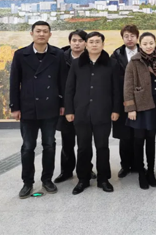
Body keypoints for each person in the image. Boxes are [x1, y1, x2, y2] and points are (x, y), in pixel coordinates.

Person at [9, 21, 68, 199]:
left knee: (49, 145)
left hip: (50, 107)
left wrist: (63, 104)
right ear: (32, 34)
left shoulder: (58, 54)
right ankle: (27, 182)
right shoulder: (21, 54)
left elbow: (62, 81)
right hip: (28, 107)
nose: (41, 34)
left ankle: (47, 179)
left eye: (45, 31)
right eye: (38, 31)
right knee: (28, 147)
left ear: (50, 34)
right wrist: (14, 106)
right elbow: (14, 82)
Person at [65, 32, 121, 195]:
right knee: (83, 147)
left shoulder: (112, 64)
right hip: (81, 112)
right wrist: (69, 110)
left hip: (103, 112)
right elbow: (69, 89)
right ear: (86, 44)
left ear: (103, 44)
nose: (94, 44)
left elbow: (116, 89)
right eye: (91, 42)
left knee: (102, 147)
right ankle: (83, 179)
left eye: (98, 42)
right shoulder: (77, 64)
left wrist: (116, 110)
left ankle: (103, 179)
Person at [123, 32, 156, 190]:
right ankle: (141, 173)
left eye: (151, 43)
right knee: (138, 140)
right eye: (145, 44)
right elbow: (128, 87)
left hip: (155, 106)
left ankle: (151, 172)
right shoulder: (134, 62)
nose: (148, 46)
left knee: (151, 140)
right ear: (140, 45)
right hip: (140, 107)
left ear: (155, 44)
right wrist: (130, 108)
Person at [55, 30, 96, 184]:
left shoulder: (91, 58)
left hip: (85, 106)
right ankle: (66, 171)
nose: (77, 43)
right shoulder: (61, 58)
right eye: (74, 40)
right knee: (67, 141)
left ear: (85, 43)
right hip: (66, 105)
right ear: (70, 42)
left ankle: (87, 169)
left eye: (80, 40)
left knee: (85, 142)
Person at [111, 25, 140, 178]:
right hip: (123, 100)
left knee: (139, 135)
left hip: (141, 100)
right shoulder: (116, 54)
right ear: (122, 38)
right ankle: (125, 165)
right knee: (125, 136)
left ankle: (138, 164)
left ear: (137, 37)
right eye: (126, 36)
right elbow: (114, 78)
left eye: (132, 36)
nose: (129, 39)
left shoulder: (144, 52)